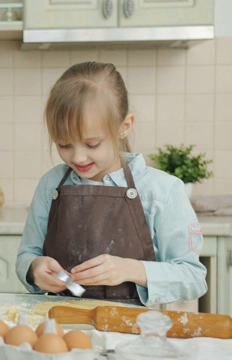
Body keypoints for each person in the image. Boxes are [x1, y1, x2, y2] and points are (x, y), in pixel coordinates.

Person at [15, 61, 207, 306]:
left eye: (92, 144)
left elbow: (193, 277)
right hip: (61, 326)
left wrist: (131, 269)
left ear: (123, 127)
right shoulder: (51, 184)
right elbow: (26, 254)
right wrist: (34, 268)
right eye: (64, 144)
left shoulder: (161, 191)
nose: (77, 157)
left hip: (136, 333)